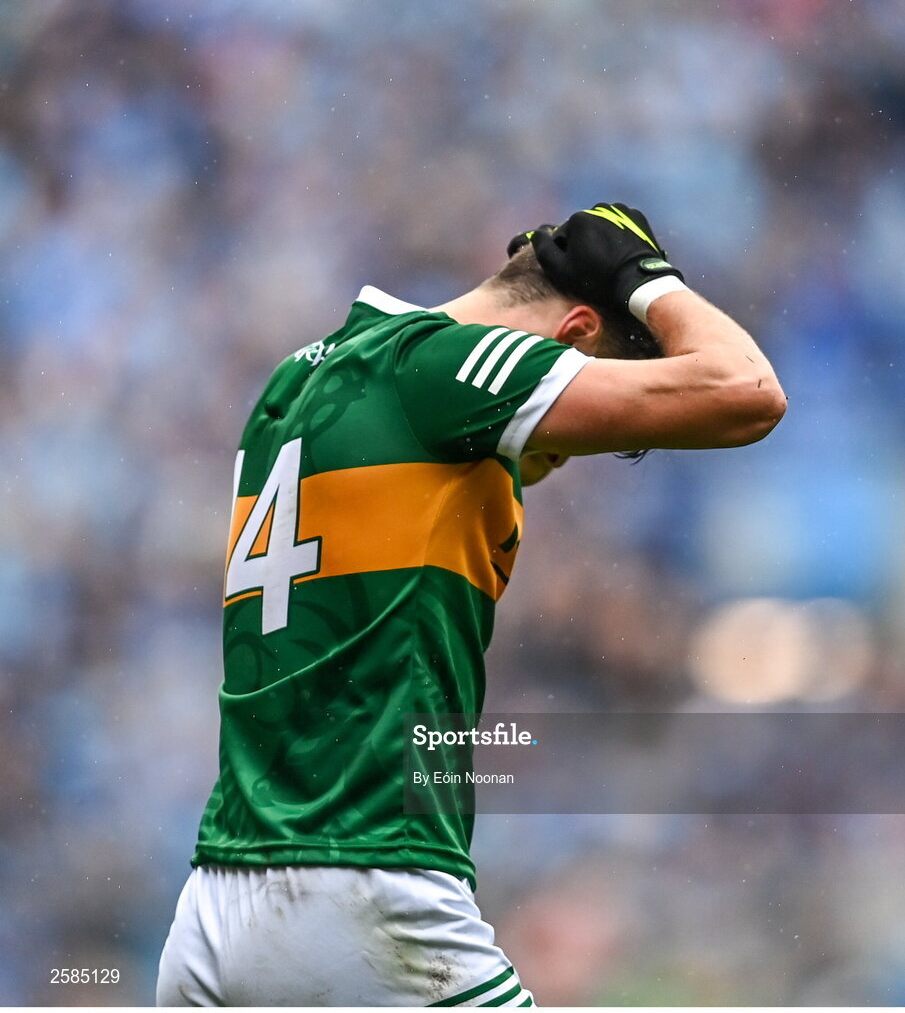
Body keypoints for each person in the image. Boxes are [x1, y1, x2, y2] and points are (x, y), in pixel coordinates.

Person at [156, 203, 785, 1006]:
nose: (563, 454)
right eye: (586, 425)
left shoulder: (306, 377)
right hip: (362, 887)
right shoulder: (442, 367)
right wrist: (648, 283)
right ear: (576, 336)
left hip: (214, 910)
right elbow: (748, 393)